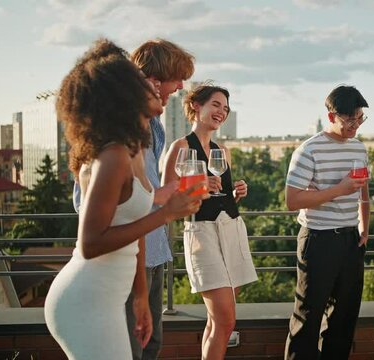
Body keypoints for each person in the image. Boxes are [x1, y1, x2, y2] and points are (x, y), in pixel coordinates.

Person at [44, 39, 207, 359]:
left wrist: (141, 297)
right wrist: (166, 213)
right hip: (89, 298)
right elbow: (90, 243)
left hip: (113, 291)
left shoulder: (133, 147)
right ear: (125, 95)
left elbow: (136, 222)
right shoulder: (113, 155)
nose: (157, 86)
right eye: (145, 82)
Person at [162, 83, 258, 360]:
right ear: (196, 105)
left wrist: (237, 192)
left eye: (225, 109)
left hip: (232, 230)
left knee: (216, 322)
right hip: (201, 235)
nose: (221, 112)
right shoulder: (180, 148)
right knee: (226, 321)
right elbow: (168, 199)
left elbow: (220, 197)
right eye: (216, 105)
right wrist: (201, 185)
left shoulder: (222, 151)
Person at [284, 85, 370, 360]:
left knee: (344, 318)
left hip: (350, 240)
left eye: (360, 119)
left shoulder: (359, 147)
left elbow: (364, 193)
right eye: (349, 120)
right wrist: (339, 190)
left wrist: (364, 228)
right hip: (318, 239)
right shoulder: (309, 150)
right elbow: (293, 200)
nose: (355, 126)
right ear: (331, 116)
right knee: (308, 317)